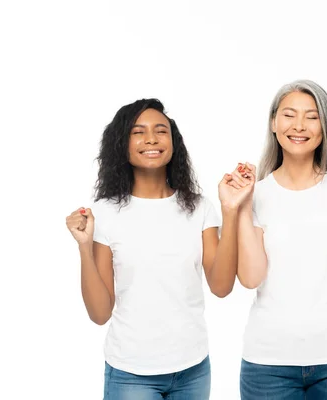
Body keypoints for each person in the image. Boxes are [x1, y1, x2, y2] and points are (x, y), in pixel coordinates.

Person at [65, 98, 244, 399]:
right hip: (131, 374)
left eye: (161, 130)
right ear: (122, 144)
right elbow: (99, 313)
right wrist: (84, 247)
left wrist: (230, 211)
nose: (151, 139)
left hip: (193, 369)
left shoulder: (199, 208)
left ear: (173, 142)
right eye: (138, 132)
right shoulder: (105, 214)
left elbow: (222, 286)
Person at [226, 80, 327, 399]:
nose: (299, 125)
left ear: (325, 126)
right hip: (268, 364)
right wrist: (242, 208)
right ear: (273, 123)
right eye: (289, 115)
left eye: (311, 116)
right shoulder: (257, 195)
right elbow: (251, 278)